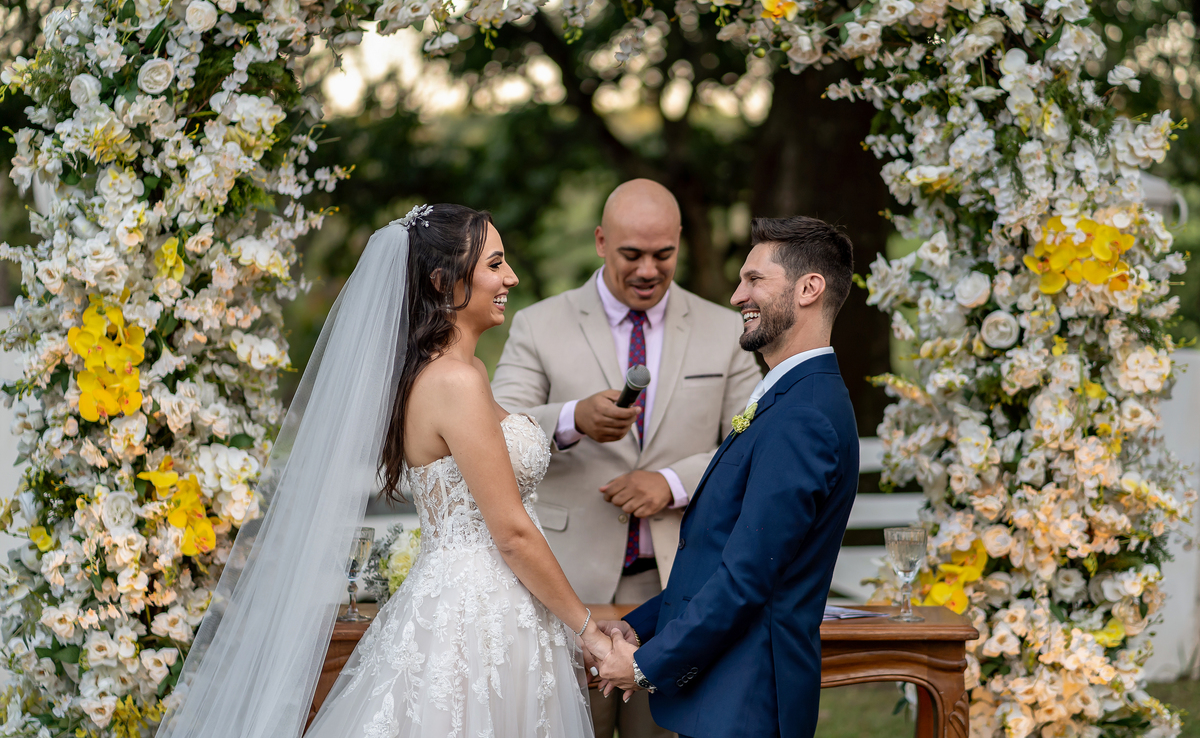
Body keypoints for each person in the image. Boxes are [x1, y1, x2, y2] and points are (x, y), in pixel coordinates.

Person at [155, 204, 609, 738]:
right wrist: (588, 629)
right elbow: (509, 532)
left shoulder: (463, 372)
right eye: (495, 264)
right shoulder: (453, 383)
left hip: (497, 605)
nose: (510, 277)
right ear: (444, 281)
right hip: (475, 617)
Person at [491, 179, 761, 738]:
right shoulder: (538, 324)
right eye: (631, 255)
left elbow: (754, 439)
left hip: (674, 587)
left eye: (663, 255)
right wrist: (570, 420)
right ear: (599, 241)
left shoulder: (723, 328)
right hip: (564, 583)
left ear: (681, 242)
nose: (647, 270)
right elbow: (496, 427)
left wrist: (673, 481)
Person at [595, 216, 861, 738]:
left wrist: (647, 664)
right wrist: (639, 624)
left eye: (755, 279)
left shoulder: (804, 414)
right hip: (727, 698)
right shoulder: (787, 398)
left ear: (809, 289)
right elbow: (718, 556)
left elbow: (748, 578)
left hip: (749, 702)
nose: (739, 294)